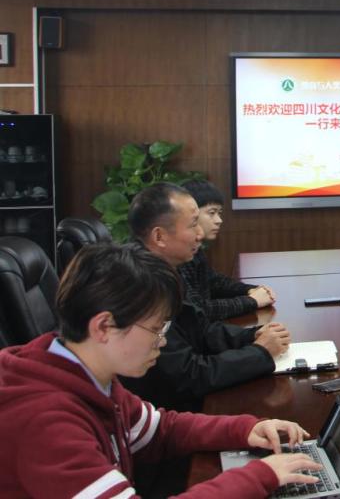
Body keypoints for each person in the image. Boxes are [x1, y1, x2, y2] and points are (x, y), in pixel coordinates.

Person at [0, 243, 322, 498]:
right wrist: (261, 475)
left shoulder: (86, 374)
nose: (163, 340)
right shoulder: (45, 422)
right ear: (103, 327)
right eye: (156, 328)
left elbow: (160, 430)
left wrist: (246, 429)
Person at [122, 182, 289, 411]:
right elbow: (187, 376)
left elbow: (199, 329)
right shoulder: (139, 284)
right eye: (193, 225)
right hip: (167, 412)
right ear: (159, 236)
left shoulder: (164, 269)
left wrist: (251, 336)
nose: (200, 234)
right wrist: (260, 353)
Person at [180, 179, 276, 321]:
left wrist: (249, 290)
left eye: (219, 213)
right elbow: (199, 310)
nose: (219, 220)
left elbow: (214, 282)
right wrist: (252, 301)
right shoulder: (177, 254)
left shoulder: (194, 247)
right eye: (211, 213)